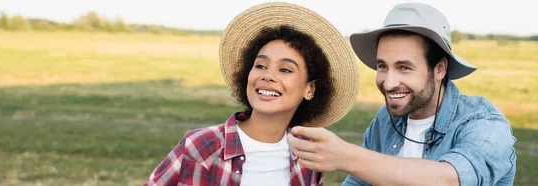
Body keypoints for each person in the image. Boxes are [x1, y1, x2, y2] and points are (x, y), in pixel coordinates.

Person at [287, 3, 517, 186]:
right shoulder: (386, 120)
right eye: (383, 66)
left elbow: (451, 179)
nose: (388, 83)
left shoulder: (484, 123)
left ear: (439, 69)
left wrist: (346, 156)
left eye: (404, 67)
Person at [143, 2, 359, 186]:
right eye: (260, 66)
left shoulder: (308, 159)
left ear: (309, 89)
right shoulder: (201, 146)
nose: (268, 76)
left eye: (285, 70)